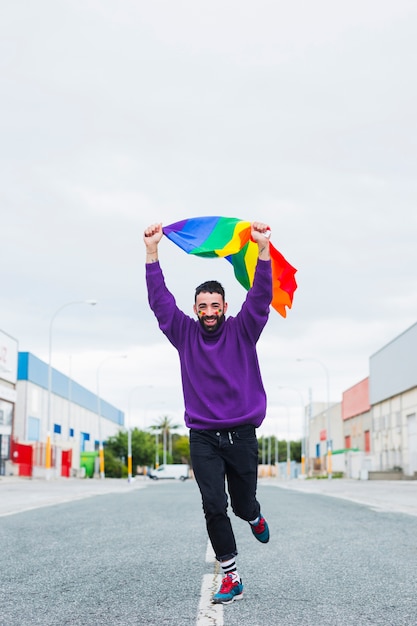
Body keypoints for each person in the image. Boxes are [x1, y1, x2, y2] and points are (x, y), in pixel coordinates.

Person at [143, 221, 272, 605]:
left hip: (242, 434)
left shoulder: (243, 329)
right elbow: (159, 301)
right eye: (203, 306)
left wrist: (263, 250)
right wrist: (152, 251)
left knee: (243, 502)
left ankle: (253, 515)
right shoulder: (184, 333)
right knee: (214, 504)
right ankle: (231, 576)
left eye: (215, 305)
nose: (209, 312)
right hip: (203, 437)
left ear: (225, 307)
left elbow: (261, 296)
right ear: (196, 309)